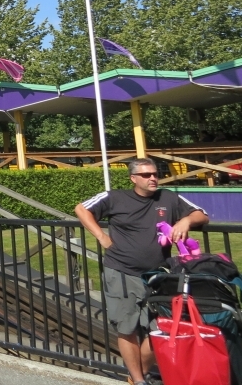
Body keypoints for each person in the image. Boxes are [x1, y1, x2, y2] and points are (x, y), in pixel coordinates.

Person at [75, 158, 209, 385]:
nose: (153, 178)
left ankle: (139, 372)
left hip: (159, 275)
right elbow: (81, 209)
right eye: (146, 175)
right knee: (127, 328)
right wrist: (102, 237)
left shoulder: (167, 197)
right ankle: (138, 380)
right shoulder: (115, 197)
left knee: (165, 328)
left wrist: (185, 220)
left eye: (155, 174)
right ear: (133, 178)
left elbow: (202, 215)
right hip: (122, 272)